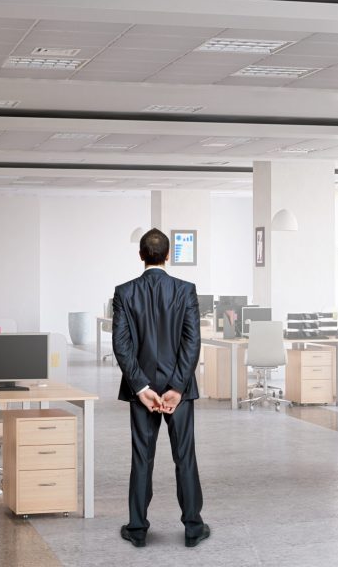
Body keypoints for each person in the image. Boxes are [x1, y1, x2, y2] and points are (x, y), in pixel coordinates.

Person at [112, 228, 210, 548]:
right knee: (185, 456)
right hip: (177, 388)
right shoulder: (185, 290)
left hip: (142, 390)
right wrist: (178, 387)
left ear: (141, 256)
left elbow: (122, 345)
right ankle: (193, 527)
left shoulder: (125, 293)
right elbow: (191, 342)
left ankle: (138, 529)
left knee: (143, 457)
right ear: (168, 255)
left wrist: (140, 387)